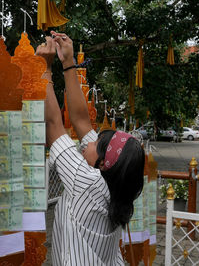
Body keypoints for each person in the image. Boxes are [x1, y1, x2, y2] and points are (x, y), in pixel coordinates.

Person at [36, 32, 145, 265]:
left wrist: (44, 68)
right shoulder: (113, 181)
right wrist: (68, 62)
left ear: (104, 163)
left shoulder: (86, 180)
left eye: (96, 144)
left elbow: (55, 123)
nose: (88, 142)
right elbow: (83, 122)